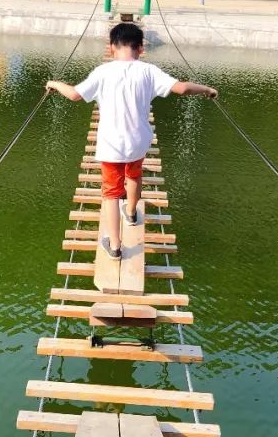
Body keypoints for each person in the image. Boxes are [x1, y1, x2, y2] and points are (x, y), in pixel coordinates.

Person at [45, 23, 217, 260]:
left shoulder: (102, 72)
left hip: (111, 146)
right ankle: (132, 213)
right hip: (138, 142)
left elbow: (74, 95)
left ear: (112, 47)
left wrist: (54, 84)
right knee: (134, 175)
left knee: (111, 194)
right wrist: (206, 89)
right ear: (141, 48)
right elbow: (182, 88)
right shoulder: (149, 71)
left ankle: (115, 246)